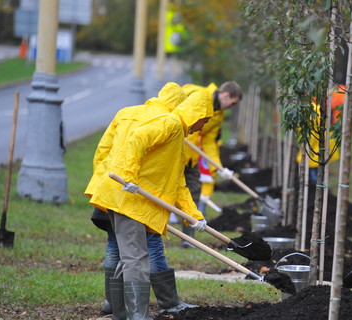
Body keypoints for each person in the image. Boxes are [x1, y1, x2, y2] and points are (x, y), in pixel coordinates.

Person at [86, 85, 213, 319]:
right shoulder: (171, 124)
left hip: (120, 193)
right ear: (195, 114)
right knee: (136, 257)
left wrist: (193, 216)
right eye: (203, 121)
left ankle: (120, 311)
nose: (200, 128)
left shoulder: (173, 132)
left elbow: (177, 182)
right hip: (129, 198)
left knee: (125, 254)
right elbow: (138, 139)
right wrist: (129, 176)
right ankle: (137, 316)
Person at [179, 81, 243, 247]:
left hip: (191, 158)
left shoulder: (219, 115)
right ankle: (152, 232)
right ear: (226, 95)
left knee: (193, 193)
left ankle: (188, 239)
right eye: (233, 103)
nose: (231, 107)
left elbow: (208, 142)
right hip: (174, 153)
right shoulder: (197, 94)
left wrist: (218, 167)